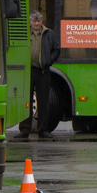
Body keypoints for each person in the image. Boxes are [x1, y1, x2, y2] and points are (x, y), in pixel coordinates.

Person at [17, 11, 61, 139]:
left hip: (43, 71)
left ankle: (43, 130)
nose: (36, 23)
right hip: (28, 71)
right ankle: (24, 129)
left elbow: (57, 50)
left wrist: (48, 61)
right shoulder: (24, 34)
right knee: (26, 100)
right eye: (34, 21)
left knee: (43, 102)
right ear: (30, 22)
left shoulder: (49, 34)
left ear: (42, 22)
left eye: (38, 21)